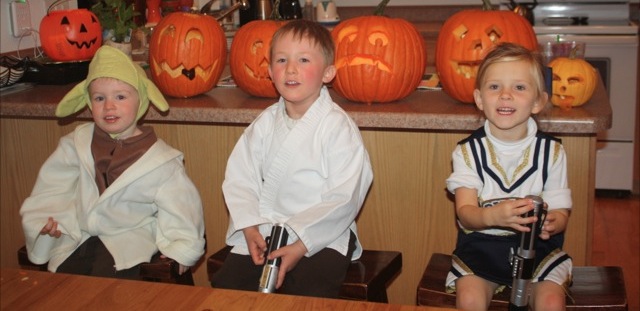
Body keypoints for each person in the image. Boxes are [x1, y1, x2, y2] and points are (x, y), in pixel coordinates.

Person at [211, 19, 373, 298]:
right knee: (231, 289)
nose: (291, 69)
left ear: (328, 73)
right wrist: (250, 228)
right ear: (270, 70)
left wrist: (301, 246)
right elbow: (240, 178)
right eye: (282, 59)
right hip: (266, 230)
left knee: (307, 292)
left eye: (304, 60)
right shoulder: (264, 124)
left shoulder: (337, 128)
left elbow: (345, 197)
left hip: (322, 235)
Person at [20, 45, 205, 280]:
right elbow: (53, 187)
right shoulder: (75, 145)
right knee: (63, 283)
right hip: (80, 235)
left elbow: (182, 207)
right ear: (88, 102)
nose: (109, 106)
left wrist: (182, 249)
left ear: (142, 99)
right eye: (99, 98)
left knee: (108, 288)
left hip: (128, 239)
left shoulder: (160, 161)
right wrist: (47, 218)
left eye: (120, 96)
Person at [445, 42, 573, 311]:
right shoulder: (467, 152)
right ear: (479, 99)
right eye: (494, 87)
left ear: (538, 101)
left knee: (551, 301)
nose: (505, 95)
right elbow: (465, 212)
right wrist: (493, 216)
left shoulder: (552, 152)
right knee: (469, 299)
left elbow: (561, 212)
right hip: (482, 249)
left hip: (538, 252)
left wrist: (553, 222)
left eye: (519, 87)